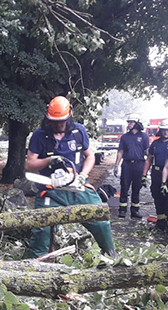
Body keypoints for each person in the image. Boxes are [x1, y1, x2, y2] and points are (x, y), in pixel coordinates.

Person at [23, 96, 116, 258]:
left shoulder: (78, 132)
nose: (59, 124)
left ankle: (111, 255)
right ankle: (34, 263)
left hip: (78, 187)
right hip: (50, 190)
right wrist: (49, 160)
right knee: (42, 228)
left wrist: (82, 175)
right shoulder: (40, 135)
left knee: (100, 219)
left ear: (70, 115)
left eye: (62, 120)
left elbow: (90, 156)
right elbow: (30, 164)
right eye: (55, 121)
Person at [143, 119, 168, 231]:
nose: (166, 132)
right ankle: (161, 222)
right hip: (156, 173)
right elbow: (148, 160)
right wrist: (144, 175)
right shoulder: (155, 143)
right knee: (157, 197)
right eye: (164, 130)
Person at [113, 113, 149, 218]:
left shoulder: (144, 136)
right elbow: (120, 151)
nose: (129, 124)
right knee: (124, 187)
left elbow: (147, 151)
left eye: (131, 122)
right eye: (128, 122)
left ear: (137, 123)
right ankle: (122, 210)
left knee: (136, 188)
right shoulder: (125, 137)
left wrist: (150, 165)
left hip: (139, 165)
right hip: (127, 165)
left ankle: (135, 211)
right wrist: (116, 165)